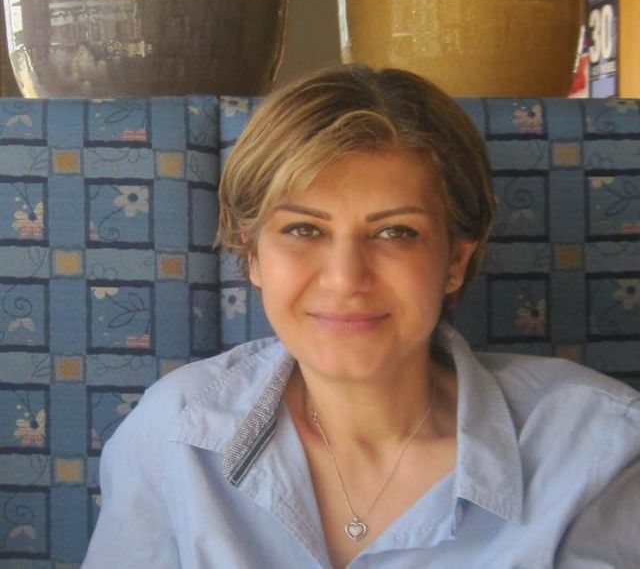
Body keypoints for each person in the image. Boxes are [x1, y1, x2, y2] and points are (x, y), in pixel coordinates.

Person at [83, 64, 640, 569]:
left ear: (454, 261)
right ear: (252, 255)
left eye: (394, 232)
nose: (346, 278)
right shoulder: (172, 436)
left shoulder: (596, 449)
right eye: (303, 229)